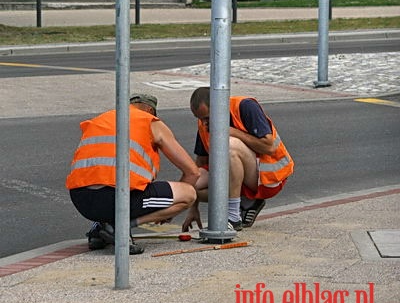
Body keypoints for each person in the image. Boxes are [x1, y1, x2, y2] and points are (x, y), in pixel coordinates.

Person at [66, 94, 200, 254]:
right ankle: (119, 228)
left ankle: (100, 227)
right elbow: (192, 172)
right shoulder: (150, 121)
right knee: (189, 194)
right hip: (116, 200)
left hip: (82, 201)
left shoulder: (101, 120)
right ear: (150, 110)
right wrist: (168, 209)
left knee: (108, 178)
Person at [182, 87, 294, 232]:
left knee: (229, 144)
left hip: (267, 178)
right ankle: (244, 202)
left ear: (220, 106)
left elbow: (269, 147)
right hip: (237, 178)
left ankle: (233, 217)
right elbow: (200, 164)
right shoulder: (204, 123)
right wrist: (192, 207)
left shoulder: (245, 106)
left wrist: (229, 131)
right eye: (200, 118)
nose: (204, 123)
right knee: (190, 184)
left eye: (207, 118)